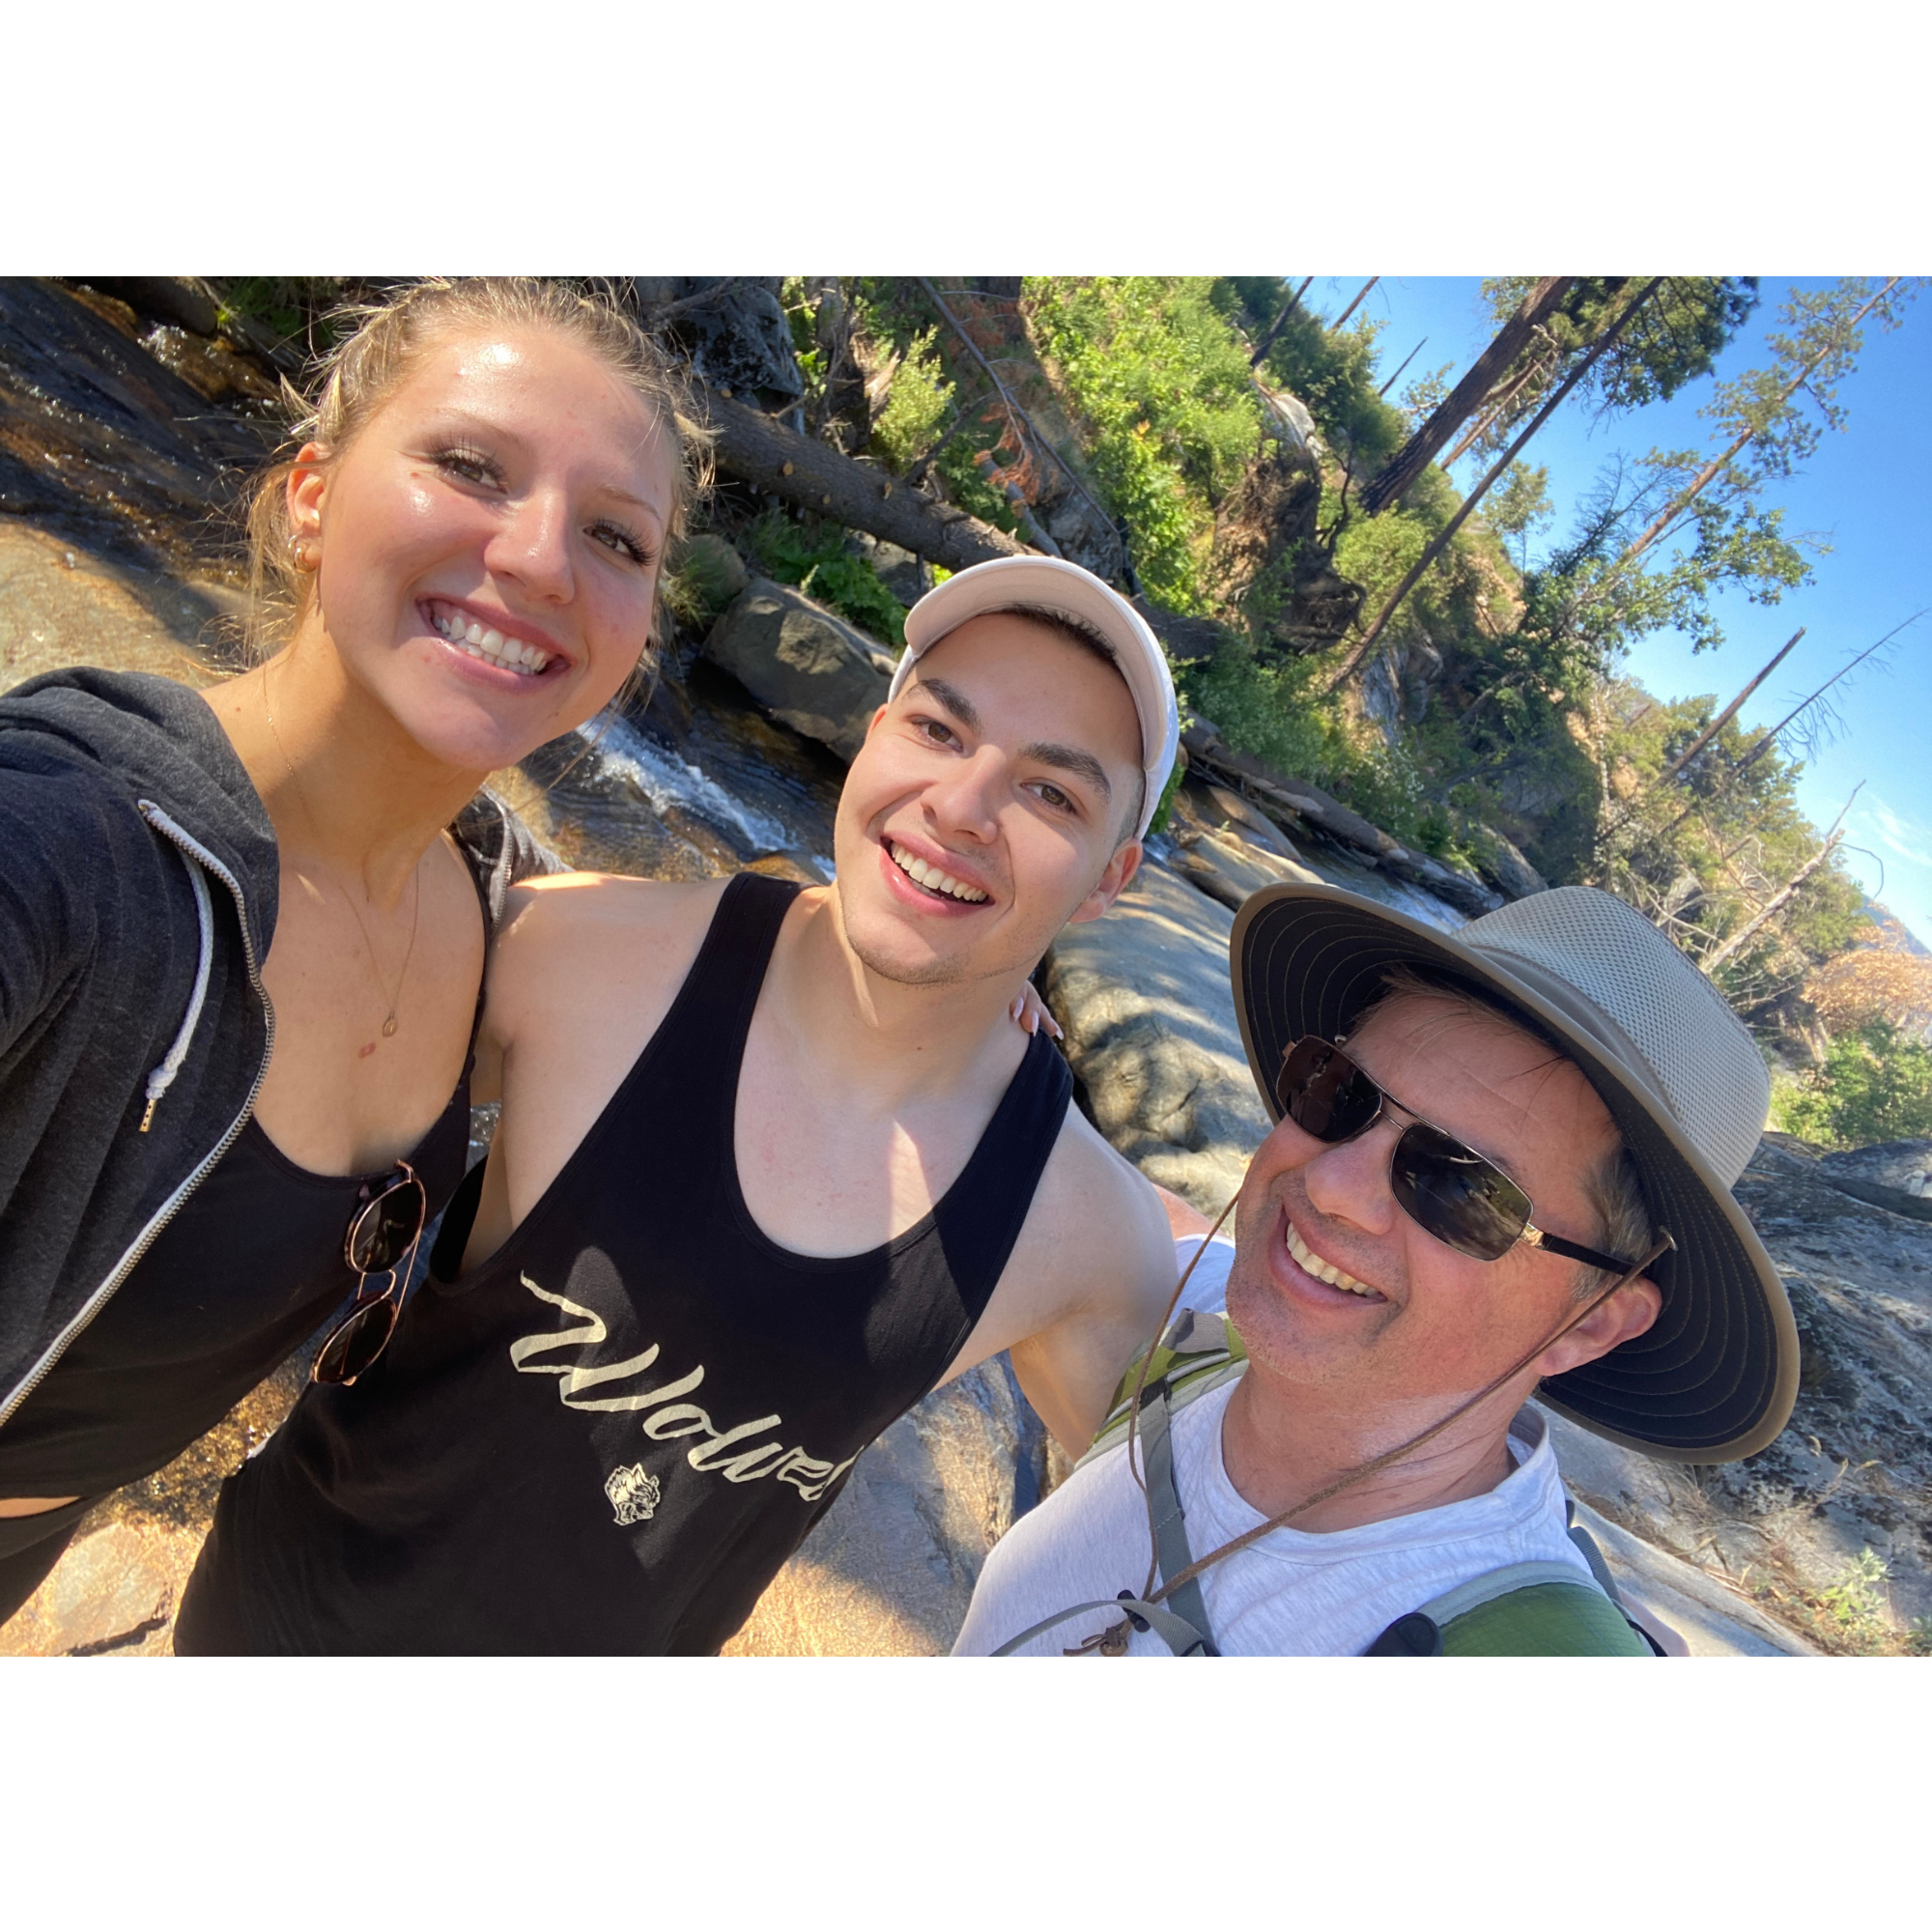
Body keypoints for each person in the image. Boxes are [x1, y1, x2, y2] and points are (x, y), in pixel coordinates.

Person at [176, 554, 1185, 1654]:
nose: (962, 805)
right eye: (938, 730)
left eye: (1051, 791)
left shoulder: (1080, 1231)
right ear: (873, 732)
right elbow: (257, 1085)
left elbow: (1195, 1545)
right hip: (273, 1619)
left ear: (1107, 877)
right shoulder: (568, 952)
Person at [0, 278, 709, 1625]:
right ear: (312, 496)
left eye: (617, 536)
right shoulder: (76, 845)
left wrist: (957, 998)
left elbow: (721, 961)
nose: (545, 559)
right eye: (471, 466)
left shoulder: (487, 891)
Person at [954, 882, 1800, 1656]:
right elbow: (1114, 1202)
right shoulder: (1205, 1332)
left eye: (1461, 1186)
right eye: (1340, 1092)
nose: (1330, 1188)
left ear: (1591, 1321)